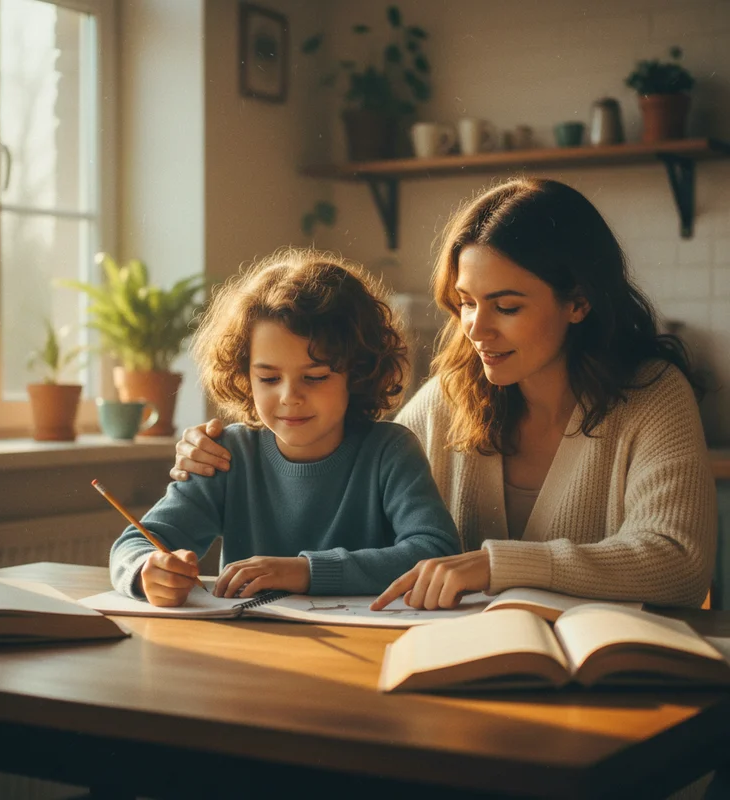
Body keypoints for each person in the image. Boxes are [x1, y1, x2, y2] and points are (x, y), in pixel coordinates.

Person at [170, 178, 717, 613]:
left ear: (578, 301)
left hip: (609, 680)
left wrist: (493, 564)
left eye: (506, 306)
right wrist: (215, 447)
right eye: (467, 303)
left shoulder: (651, 397)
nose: (476, 330)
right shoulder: (451, 396)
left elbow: (678, 564)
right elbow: (340, 452)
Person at [110, 248, 460, 606]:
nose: (290, 397)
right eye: (268, 377)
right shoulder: (225, 454)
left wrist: (306, 571)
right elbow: (133, 543)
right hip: (252, 645)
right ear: (245, 376)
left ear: (356, 373)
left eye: (314, 377)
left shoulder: (389, 451)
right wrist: (146, 569)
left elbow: (435, 550)